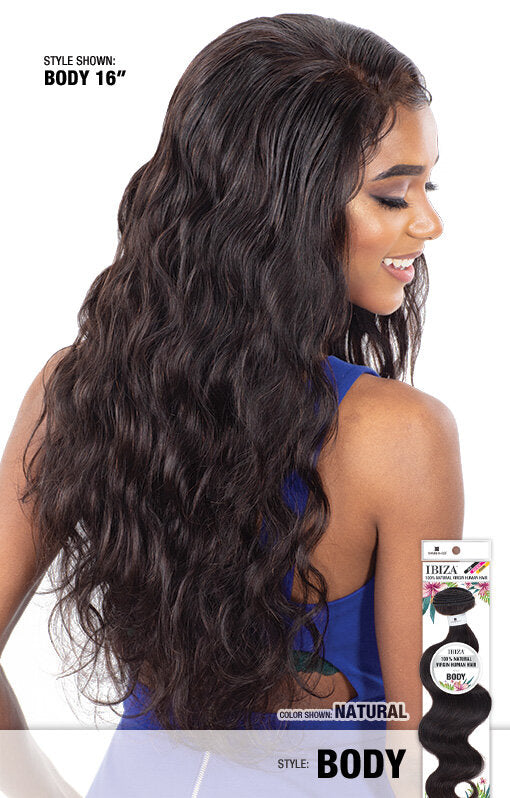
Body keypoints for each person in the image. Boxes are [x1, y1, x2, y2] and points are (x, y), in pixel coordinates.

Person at [0, 12, 463, 745]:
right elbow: (451, 749)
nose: (430, 223)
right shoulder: (412, 435)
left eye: (428, 185)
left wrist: (38, 788)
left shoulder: (76, 387)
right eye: (393, 195)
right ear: (283, 209)